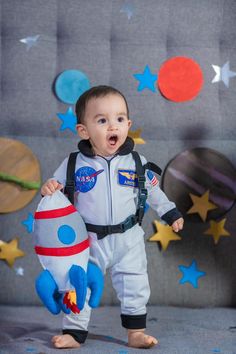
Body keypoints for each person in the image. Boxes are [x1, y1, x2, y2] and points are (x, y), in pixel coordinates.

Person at [41, 85, 184, 349]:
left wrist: (170, 211)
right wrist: (49, 187)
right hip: (87, 240)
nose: (112, 127)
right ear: (84, 130)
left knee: (135, 283)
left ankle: (136, 332)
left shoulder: (137, 163)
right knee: (77, 283)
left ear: (128, 124)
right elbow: (55, 186)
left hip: (128, 237)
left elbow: (153, 191)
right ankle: (74, 331)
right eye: (102, 120)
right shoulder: (73, 164)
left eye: (119, 119)